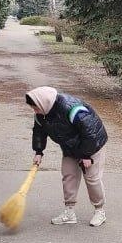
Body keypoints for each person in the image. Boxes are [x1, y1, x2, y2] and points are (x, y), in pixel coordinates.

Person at [26, 86, 109, 226]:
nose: (35, 110)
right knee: (68, 175)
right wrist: (38, 152)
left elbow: (91, 131)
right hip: (70, 147)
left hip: (93, 144)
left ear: (43, 103)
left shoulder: (72, 108)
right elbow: (39, 132)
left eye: (35, 107)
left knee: (92, 178)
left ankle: (99, 211)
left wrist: (86, 155)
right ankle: (69, 212)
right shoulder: (41, 113)